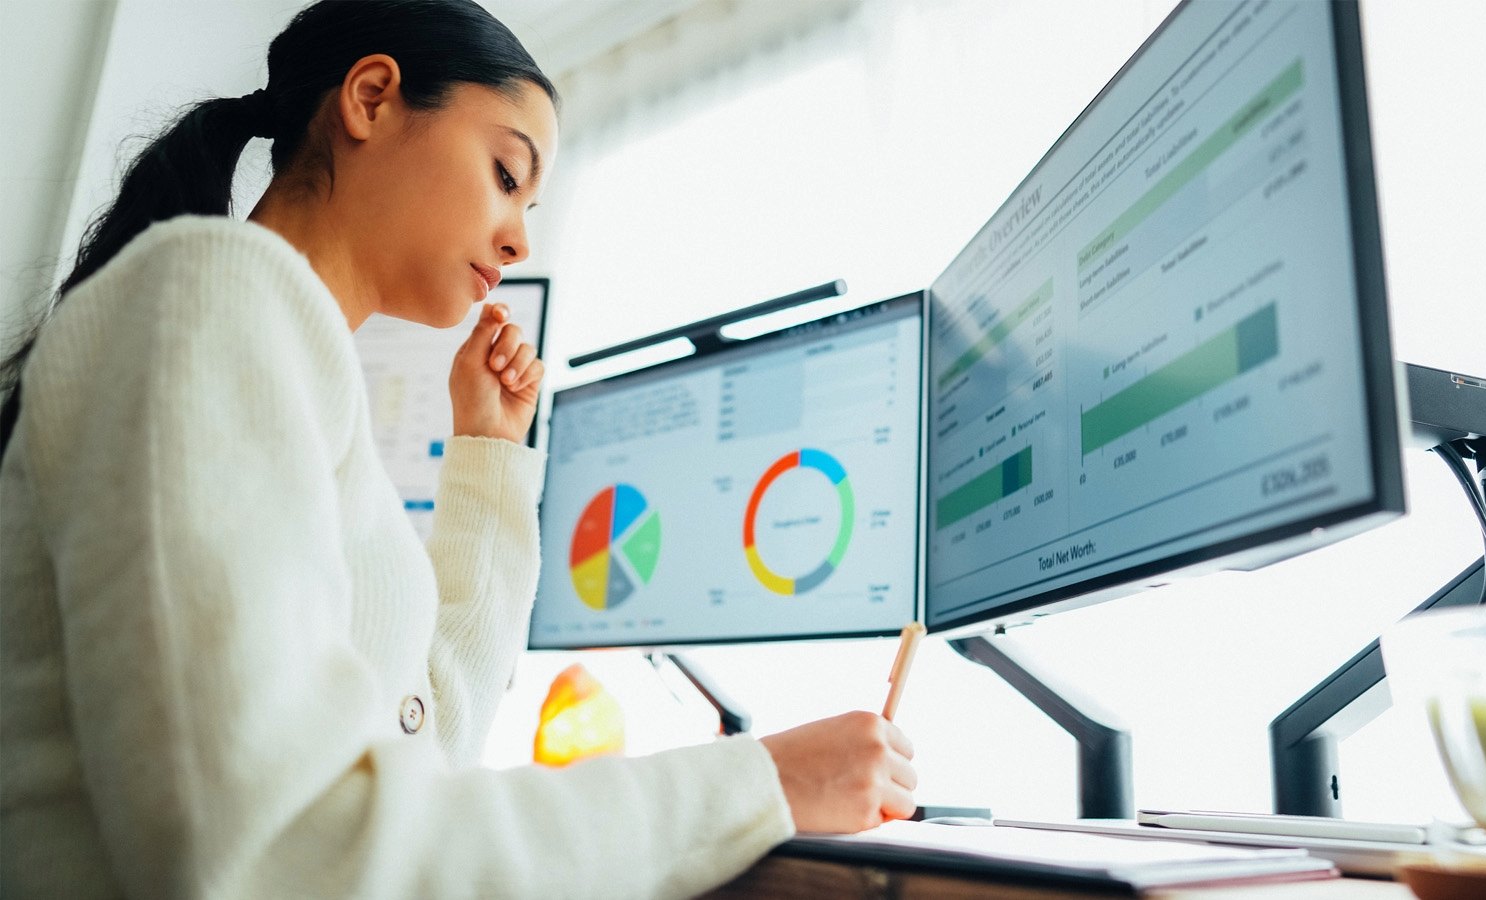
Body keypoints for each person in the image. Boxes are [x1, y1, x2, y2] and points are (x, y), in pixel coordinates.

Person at [0, 1, 917, 896]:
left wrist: (488, 452)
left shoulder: (289, 360)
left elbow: (422, 744)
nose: (519, 237)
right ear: (370, 99)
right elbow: (284, 852)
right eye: (507, 174)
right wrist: (760, 784)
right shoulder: (211, 292)